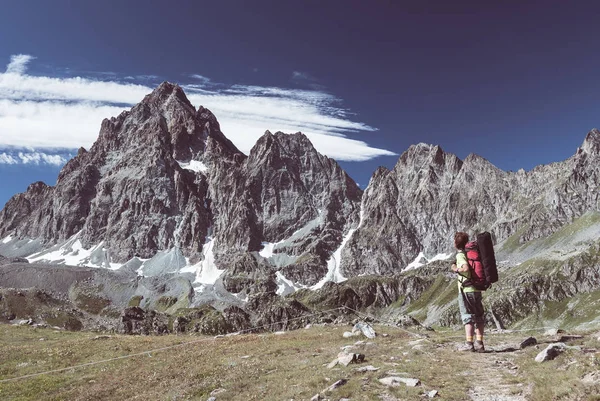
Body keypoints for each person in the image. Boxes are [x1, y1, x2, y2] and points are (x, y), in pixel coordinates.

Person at [451, 231, 485, 352]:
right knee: (479, 317)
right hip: (476, 289)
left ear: (456, 243)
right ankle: (480, 343)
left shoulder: (460, 255)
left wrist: (456, 269)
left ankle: (469, 344)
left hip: (466, 290)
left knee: (468, 317)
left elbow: (465, 268)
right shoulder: (471, 253)